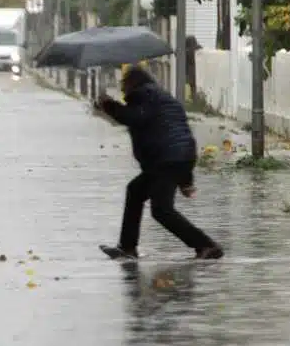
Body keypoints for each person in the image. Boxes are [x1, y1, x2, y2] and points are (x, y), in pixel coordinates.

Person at [94, 65, 224, 260]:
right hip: (176, 158)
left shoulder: (144, 97)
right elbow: (179, 136)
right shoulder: (161, 97)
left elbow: (133, 118)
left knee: (161, 210)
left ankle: (206, 245)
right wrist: (186, 180)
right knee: (135, 190)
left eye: (124, 84)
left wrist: (109, 106)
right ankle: (127, 248)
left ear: (132, 83)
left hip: (166, 160)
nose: (122, 90)